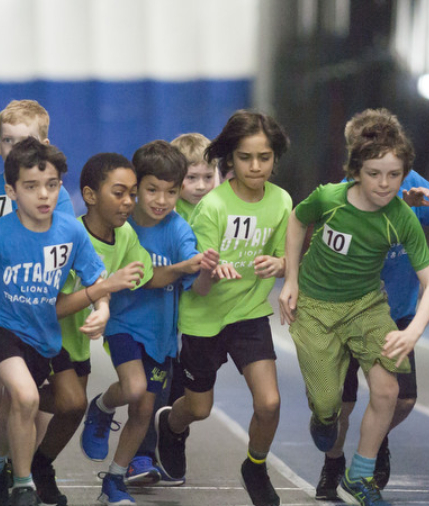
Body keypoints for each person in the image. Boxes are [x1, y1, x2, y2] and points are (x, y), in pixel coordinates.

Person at [279, 108, 429, 506]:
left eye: (393, 175)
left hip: (367, 306)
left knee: (387, 390)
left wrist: (412, 331)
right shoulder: (329, 198)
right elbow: (298, 221)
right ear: (355, 171)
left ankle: (360, 474)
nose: (384, 184)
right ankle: (324, 417)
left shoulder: (402, 217)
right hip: (316, 308)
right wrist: (291, 279)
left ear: (405, 174)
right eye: (374, 174)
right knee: (329, 403)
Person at [314, 119, 429, 500]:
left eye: (391, 167)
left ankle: (373, 444)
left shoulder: (411, 181)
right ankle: (333, 461)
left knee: (399, 399)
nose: (383, 177)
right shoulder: (337, 200)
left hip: (396, 312)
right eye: (370, 165)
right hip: (346, 312)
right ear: (355, 163)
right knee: (341, 404)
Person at [0, 137, 112, 506]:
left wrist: (101, 308)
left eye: (52, 185)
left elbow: (95, 278)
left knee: (38, 406)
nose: (44, 195)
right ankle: (23, 484)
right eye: (31, 186)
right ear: (11, 190)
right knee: (24, 397)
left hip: (41, 332)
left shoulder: (70, 230)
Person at [155, 110, 292, 506]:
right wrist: (211, 273)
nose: (255, 166)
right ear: (229, 159)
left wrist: (280, 266)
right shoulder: (213, 207)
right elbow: (195, 285)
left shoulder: (282, 202)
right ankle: (171, 424)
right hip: (203, 319)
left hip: (249, 315)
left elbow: (286, 258)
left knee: (269, 402)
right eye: (245, 157)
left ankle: (255, 465)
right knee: (198, 407)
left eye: (264, 158)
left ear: (274, 159)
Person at [81, 142, 210, 505]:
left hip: (160, 335)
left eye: (171, 192)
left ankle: (115, 479)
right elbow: (144, 274)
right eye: (152, 190)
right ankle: (104, 405)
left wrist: (202, 268)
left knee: (143, 410)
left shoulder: (179, 230)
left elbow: (191, 267)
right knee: (135, 389)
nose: (162, 200)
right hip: (122, 322)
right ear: (137, 187)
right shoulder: (121, 224)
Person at [28, 152, 151, 506]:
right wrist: (103, 290)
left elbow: (144, 272)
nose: (129, 202)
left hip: (76, 343)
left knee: (73, 410)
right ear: (90, 195)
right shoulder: (68, 239)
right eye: (119, 192)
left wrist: (189, 267)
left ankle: (39, 464)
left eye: (132, 193)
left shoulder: (125, 234)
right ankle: (16, 457)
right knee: (68, 400)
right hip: (45, 335)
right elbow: (53, 308)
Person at [126, 135, 220, 488]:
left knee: (181, 395)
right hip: (153, 318)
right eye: (191, 179)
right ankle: (144, 455)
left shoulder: (212, 213)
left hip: (196, 319)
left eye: (206, 177)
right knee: (152, 386)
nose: (198, 186)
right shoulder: (162, 215)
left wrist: (208, 269)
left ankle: (169, 437)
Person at [0, 99, 74, 236]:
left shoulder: (57, 195)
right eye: (8, 140)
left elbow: (67, 244)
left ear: (44, 146)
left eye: (26, 141)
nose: (16, 149)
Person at [171, 133, 219, 221]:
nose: (201, 186)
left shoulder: (218, 208)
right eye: (191, 177)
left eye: (208, 177)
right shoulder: (165, 209)